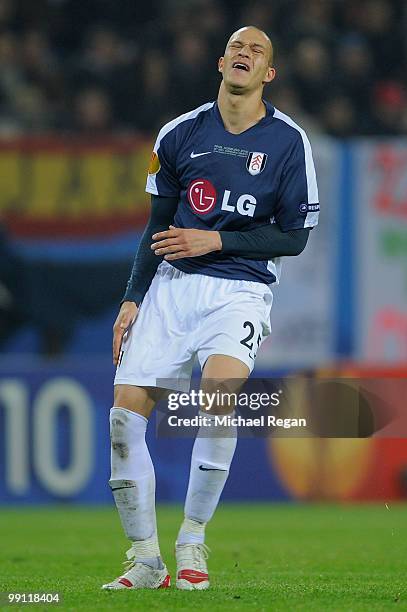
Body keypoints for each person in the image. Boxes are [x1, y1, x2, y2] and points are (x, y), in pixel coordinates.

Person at [103, 25, 319, 592]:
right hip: (172, 286)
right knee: (125, 418)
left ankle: (193, 538)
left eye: (258, 51)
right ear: (221, 62)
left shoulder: (288, 142)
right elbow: (158, 225)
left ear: (268, 74)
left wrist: (216, 241)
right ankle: (145, 559)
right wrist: (132, 296)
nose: (245, 54)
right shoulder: (179, 133)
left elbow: (294, 237)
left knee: (220, 397)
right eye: (237, 47)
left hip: (240, 288)